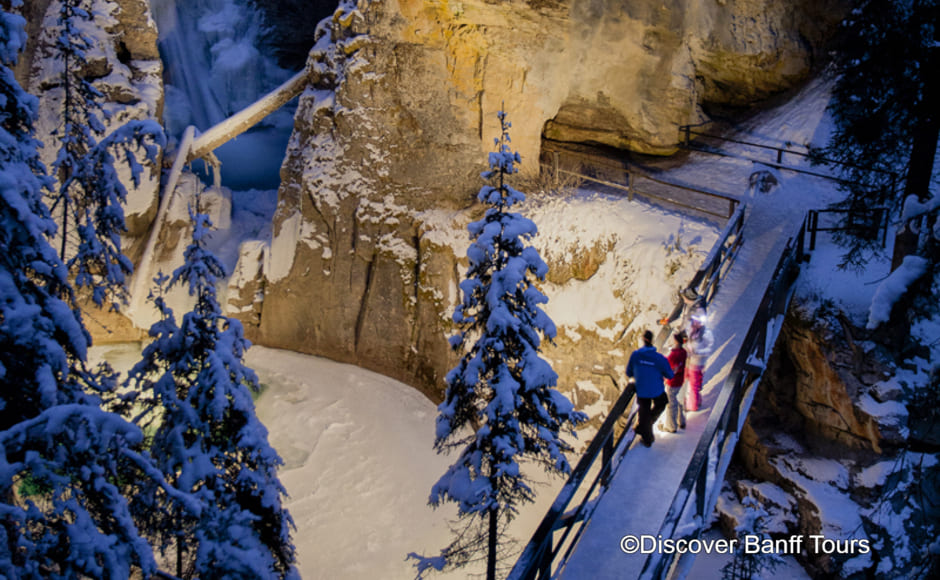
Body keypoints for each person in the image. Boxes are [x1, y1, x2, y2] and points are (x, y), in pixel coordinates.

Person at [626, 329, 674, 447]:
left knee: (644, 410)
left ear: (643, 340)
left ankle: (646, 432)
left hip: (641, 389)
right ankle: (646, 427)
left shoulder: (636, 355)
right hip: (656, 389)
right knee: (662, 402)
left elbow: (629, 372)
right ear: (652, 341)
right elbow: (670, 374)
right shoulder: (659, 358)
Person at [685, 308, 713, 412]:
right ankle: (696, 401)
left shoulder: (702, 334)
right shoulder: (697, 331)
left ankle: (692, 405)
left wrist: (693, 352)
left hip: (696, 363)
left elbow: (704, 349)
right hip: (696, 362)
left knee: (693, 384)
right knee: (695, 383)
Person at [659, 331, 688, 433]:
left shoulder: (674, 355)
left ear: (676, 342)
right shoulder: (683, 352)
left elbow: (672, 368)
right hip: (679, 381)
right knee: (676, 399)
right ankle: (681, 421)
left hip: (673, 382)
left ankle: (671, 426)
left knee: (671, 404)